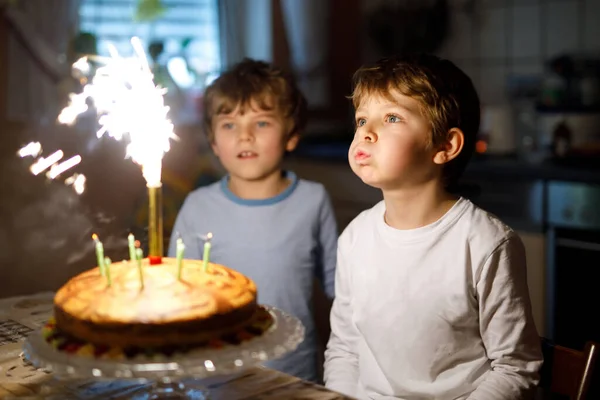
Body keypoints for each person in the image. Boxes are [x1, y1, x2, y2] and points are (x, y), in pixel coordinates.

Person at [324, 54, 543, 399]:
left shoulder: (486, 243)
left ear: (445, 146)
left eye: (391, 117)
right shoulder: (354, 237)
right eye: (362, 119)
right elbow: (345, 350)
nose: (366, 132)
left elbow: (514, 367)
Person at [168, 58, 338, 383]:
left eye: (261, 123)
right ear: (214, 142)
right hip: (217, 375)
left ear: (291, 134)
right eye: (229, 124)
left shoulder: (312, 200)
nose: (245, 136)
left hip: (294, 375)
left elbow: (340, 290)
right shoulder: (197, 206)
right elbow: (178, 292)